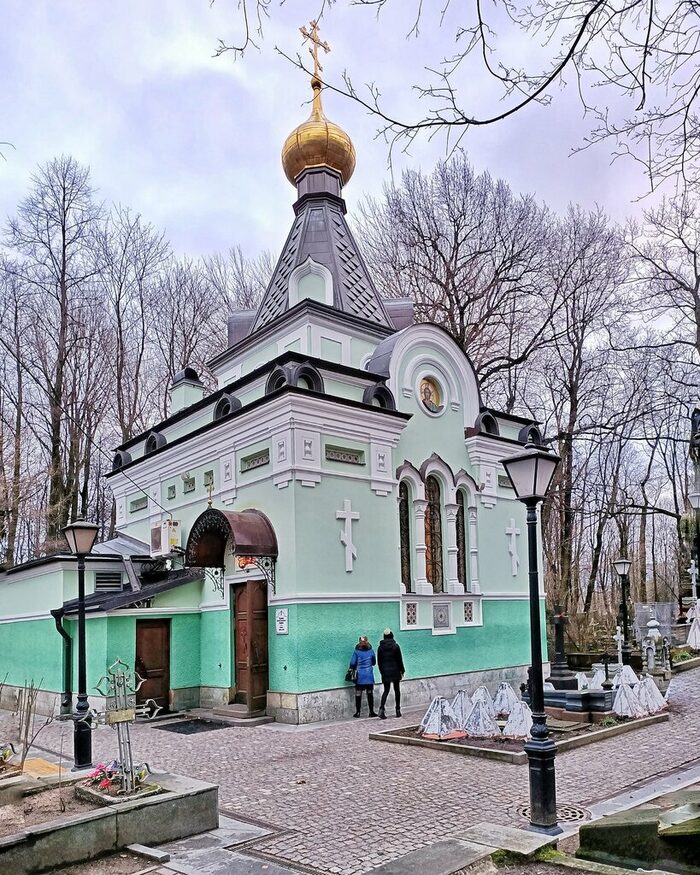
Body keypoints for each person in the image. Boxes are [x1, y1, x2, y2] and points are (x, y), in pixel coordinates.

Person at [377, 629, 405, 719]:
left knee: (386, 690)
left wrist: (382, 672)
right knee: (397, 690)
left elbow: (379, 662)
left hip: (385, 672)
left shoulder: (380, 648)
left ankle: (381, 709)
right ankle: (397, 710)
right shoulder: (396, 646)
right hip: (395, 671)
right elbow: (399, 660)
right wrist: (402, 670)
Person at [349, 635, 377, 718]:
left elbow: (352, 663)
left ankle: (358, 712)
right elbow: (374, 662)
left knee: (358, 693)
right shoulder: (371, 651)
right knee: (370, 693)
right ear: (367, 642)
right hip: (369, 675)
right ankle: (371, 712)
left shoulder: (356, 652)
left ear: (359, 643)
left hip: (360, 675)